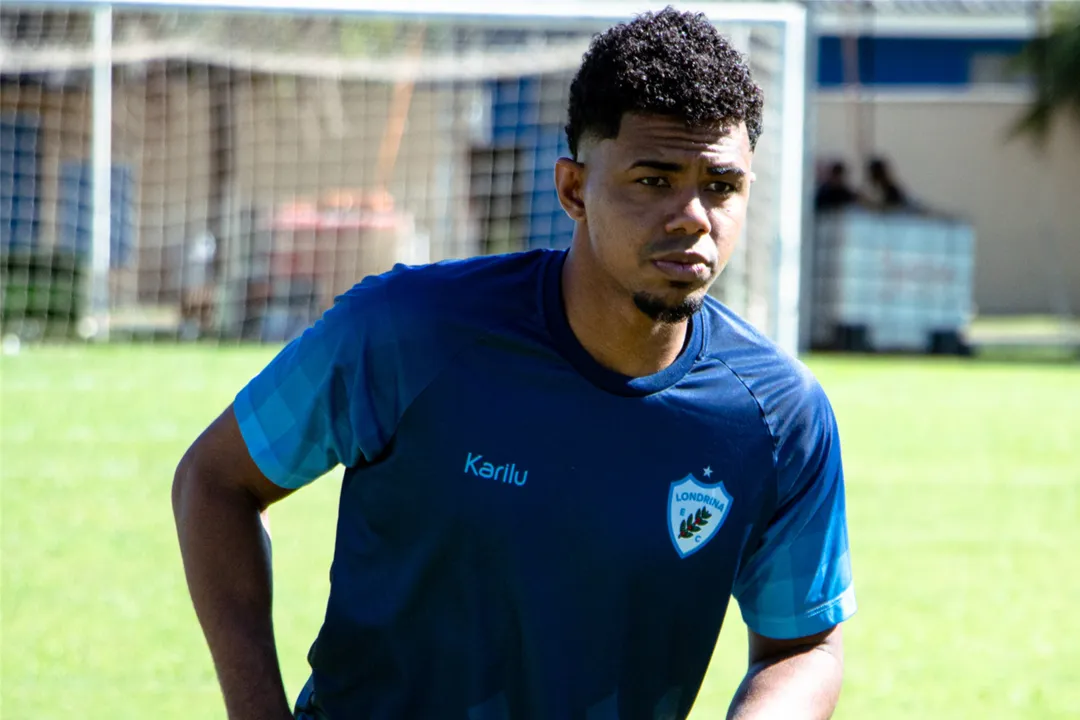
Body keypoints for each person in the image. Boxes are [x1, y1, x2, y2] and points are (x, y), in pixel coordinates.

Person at [172, 8, 856, 719]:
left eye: (721, 186)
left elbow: (803, 645)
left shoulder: (778, 418)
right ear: (572, 190)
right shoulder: (409, 331)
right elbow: (216, 482)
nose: (693, 216)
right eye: (654, 181)